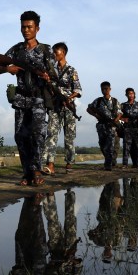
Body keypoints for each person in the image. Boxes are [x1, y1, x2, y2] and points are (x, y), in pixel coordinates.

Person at [0, 11, 56, 186]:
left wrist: (47, 77)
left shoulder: (45, 49)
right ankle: (27, 173)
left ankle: (36, 171)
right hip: (21, 98)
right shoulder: (16, 49)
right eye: (23, 27)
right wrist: (8, 69)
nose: (26, 30)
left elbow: (53, 74)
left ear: (37, 28)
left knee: (37, 135)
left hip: (38, 99)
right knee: (20, 136)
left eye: (30, 27)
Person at [42, 42, 82, 175]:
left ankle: (69, 161)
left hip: (68, 107)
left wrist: (68, 99)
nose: (54, 55)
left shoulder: (72, 70)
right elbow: (47, 86)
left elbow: (77, 90)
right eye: (53, 52)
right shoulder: (51, 70)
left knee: (69, 136)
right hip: (55, 106)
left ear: (63, 53)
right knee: (51, 134)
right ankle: (50, 164)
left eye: (56, 52)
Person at [87, 81, 122, 171]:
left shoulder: (114, 101)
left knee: (110, 145)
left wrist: (116, 119)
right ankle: (110, 160)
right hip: (101, 125)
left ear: (110, 89)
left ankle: (108, 164)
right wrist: (96, 115)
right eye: (102, 89)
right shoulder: (98, 101)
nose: (104, 90)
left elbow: (120, 112)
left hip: (111, 126)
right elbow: (89, 109)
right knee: (102, 144)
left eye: (106, 89)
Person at [120, 88, 138, 169]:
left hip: (137, 128)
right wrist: (122, 119)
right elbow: (117, 115)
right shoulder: (123, 105)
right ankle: (125, 164)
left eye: (132, 93)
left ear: (134, 94)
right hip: (127, 128)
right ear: (126, 95)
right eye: (129, 94)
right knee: (126, 147)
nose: (130, 95)